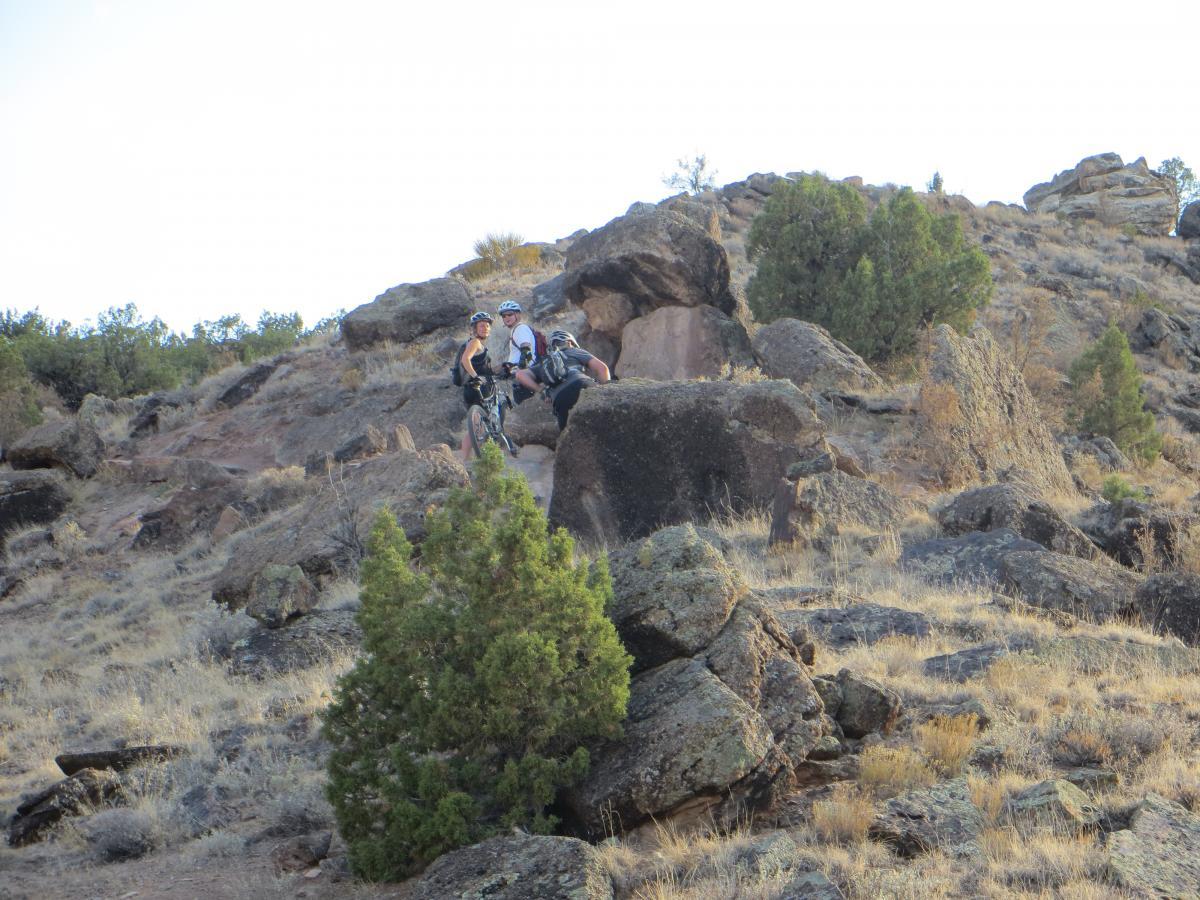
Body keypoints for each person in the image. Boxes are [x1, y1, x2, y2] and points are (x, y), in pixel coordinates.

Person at [515, 330, 609, 430]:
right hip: (582, 385)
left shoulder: (544, 363)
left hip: (560, 398)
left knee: (569, 435)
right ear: (569, 342)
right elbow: (602, 369)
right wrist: (605, 390)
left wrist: (542, 391)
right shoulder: (574, 351)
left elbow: (520, 374)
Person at [459, 311, 497, 461]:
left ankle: (465, 460)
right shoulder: (474, 342)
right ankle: (482, 462)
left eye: (487, 326)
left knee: (474, 427)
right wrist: (476, 377)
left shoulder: (479, 345)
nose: (485, 328)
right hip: (477, 387)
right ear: (474, 328)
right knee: (478, 426)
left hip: (472, 388)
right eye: (481, 326)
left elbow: (485, 369)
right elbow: (465, 360)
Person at [497, 300, 537, 405]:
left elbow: (526, 351)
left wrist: (520, 368)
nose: (507, 318)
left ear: (518, 314)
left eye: (510, 314)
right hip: (524, 374)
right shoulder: (516, 330)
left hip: (526, 375)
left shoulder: (520, 329)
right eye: (504, 316)